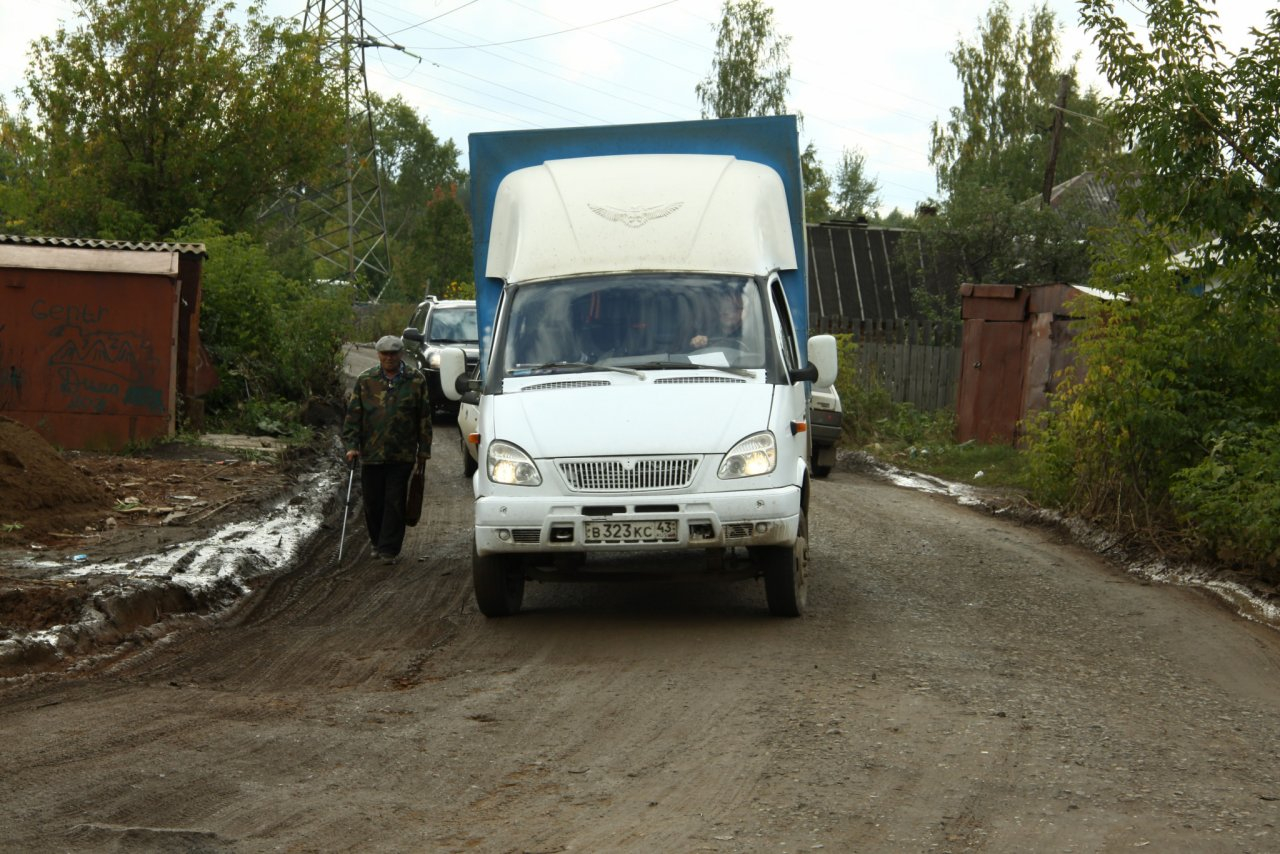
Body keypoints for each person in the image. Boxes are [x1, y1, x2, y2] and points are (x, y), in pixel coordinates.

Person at [342, 335, 432, 564]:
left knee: (395, 501)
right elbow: (354, 416)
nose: (389, 358)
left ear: (401, 354)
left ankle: (388, 549)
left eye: (393, 354)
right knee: (373, 503)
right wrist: (352, 446)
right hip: (371, 453)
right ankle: (377, 541)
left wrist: (423, 450)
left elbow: (424, 417)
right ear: (379, 355)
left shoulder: (415, 380)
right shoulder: (366, 380)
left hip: (402, 454)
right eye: (385, 354)